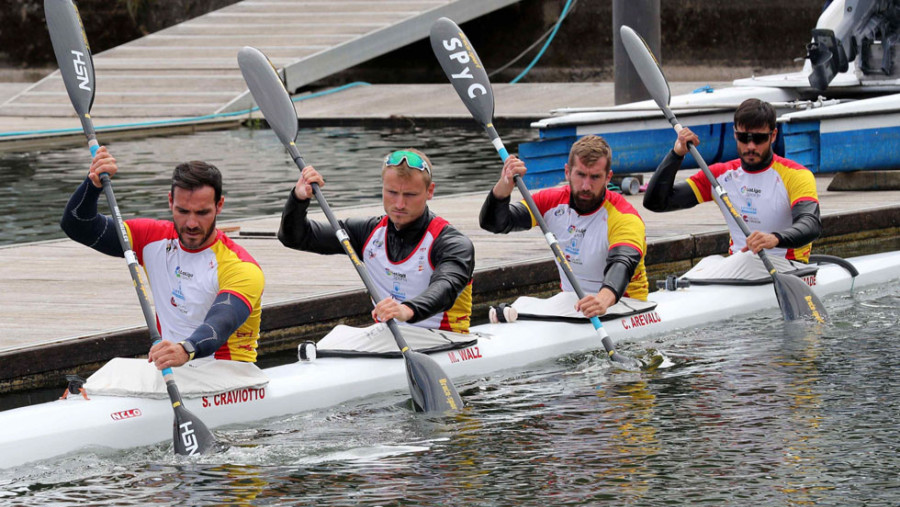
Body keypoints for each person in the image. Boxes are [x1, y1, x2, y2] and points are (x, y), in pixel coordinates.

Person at [60, 147, 265, 369]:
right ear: (170, 202)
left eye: (202, 212)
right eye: (183, 211)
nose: (192, 224)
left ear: (219, 206)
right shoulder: (150, 238)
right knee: (108, 372)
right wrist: (92, 185)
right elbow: (77, 225)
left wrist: (186, 349)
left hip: (227, 374)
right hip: (172, 368)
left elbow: (221, 323)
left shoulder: (241, 267)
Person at [278, 148, 474, 333]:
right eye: (392, 192)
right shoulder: (367, 232)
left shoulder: (452, 244)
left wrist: (407, 310)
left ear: (430, 191)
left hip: (444, 337)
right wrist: (298, 199)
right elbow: (296, 237)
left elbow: (446, 287)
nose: (399, 204)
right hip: (387, 336)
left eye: (410, 195)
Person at [479, 134, 649, 318]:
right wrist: (504, 187)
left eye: (595, 177)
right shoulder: (550, 202)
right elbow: (495, 224)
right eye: (581, 175)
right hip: (570, 305)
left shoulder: (624, 217)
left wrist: (603, 298)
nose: (586, 186)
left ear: (608, 177)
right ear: (567, 172)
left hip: (623, 305)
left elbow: (622, 264)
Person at [643, 98, 822, 263]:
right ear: (735, 134)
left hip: (788, 267)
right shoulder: (718, 175)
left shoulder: (796, 175)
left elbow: (811, 225)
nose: (751, 146)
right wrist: (676, 155)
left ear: (773, 136)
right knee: (708, 262)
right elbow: (656, 203)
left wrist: (775, 238)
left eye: (759, 139)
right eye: (744, 138)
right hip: (739, 265)